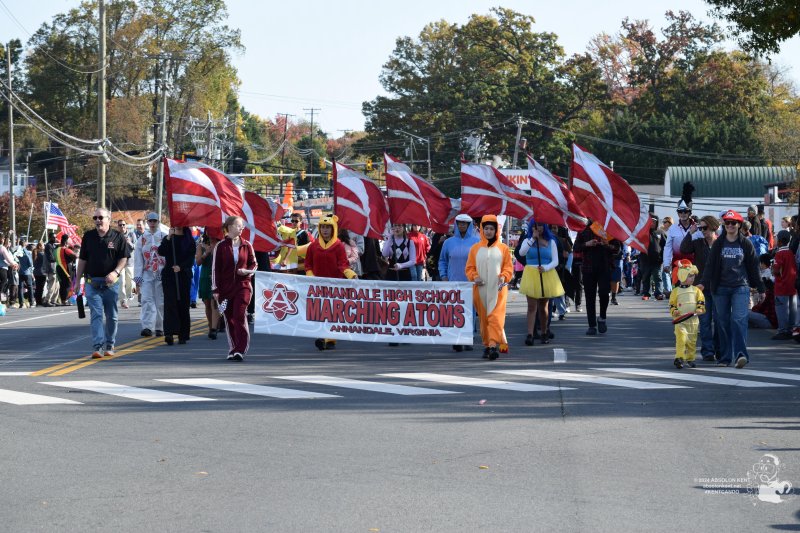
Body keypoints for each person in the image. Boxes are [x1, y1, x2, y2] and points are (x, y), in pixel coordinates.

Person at [697, 210, 766, 369]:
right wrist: (703, 283)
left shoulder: (746, 244)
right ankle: (725, 357)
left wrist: (761, 288)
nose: (729, 225)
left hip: (740, 287)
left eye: (733, 223)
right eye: (727, 223)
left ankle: (741, 354)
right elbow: (709, 266)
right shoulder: (718, 244)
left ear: (739, 225)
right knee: (722, 323)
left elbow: (754, 267)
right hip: (720, 288)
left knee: (738, 320)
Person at [74, 208, 130, 359]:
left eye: (101, 217)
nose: (97, 220)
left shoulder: (118, 237)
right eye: (95, 218)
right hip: (92, 283)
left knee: (112, 316)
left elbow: (124, 257)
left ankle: (110, 344)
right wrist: (77, 280)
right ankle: (98, 346)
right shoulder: (88, 236)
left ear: (108, 220)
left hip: (111, 284)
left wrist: (116, 272)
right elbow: (82, 260)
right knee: (96, 314)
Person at [305, 214, 358, 351]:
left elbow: (343, 265)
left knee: (332, 312)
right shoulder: (313, 246)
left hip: (335, 285)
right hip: (318, 286)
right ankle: (322, 337)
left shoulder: (339, 246)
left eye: (328, 227)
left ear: (333, 228)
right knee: (320, 311)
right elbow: (308, 265)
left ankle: (330, 339)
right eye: (322, 227)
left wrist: (350, 274)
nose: (325, 230)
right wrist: (310, 276)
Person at [465, 215, 513, 360]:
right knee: (484, 319)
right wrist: (475, 277)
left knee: (496, 317)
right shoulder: (474, 249)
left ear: (496, 230)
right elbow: (469, 268)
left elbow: (508, 268)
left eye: (492, 228)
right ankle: (487, 345)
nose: (489, 231)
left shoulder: (503, 248)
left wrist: (504, 276)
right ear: (482, 229)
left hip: (498, 289)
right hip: (480, 290)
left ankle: (493, 346)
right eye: (486, 228)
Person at [212, 216, 257, 361]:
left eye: (242, 226)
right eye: (239, 225)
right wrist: (215, 290)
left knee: (239, 315)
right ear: (230, 227)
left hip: (243, 286)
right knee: (229, 319)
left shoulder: (247, 245)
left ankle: (241, 349)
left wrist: (246, 271)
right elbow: (215, 269)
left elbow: (254, 264)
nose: (242, 228)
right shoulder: (221, 246)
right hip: (225, 289)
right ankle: (233, 348)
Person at [680, 215, 721, 361]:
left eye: (705, 228)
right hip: (702, 288)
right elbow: (683, 249)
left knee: (718, 320)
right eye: (701, 228)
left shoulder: (721, 243)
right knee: (704, 322)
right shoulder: (698, 243)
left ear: (713, 227)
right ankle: (708, 351)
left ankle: (719, 349)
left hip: (719, 288)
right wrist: (690, 232)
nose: (702, 231)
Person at [438, 213, 480, 352]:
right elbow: (442, 261)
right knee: (454, 311)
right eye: (459, 223)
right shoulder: (448, 242)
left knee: (470, 311)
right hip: (453, 282)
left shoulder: (476, 242)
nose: (461, 225)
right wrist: (444, 276)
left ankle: (468, 338)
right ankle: (456, 338)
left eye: (464, 223)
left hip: (470, 282)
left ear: (469, 225)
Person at [519, 219, 564, 346]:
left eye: (540, 226)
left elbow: (556, 260)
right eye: (535, 227)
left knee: (543, 307)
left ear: (544, 227)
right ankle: (530, 334)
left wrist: (546, 267)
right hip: (531, 274)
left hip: (546, 273)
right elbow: (522, 252)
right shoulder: (527, 241)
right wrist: (532, 239)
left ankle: (544, 332)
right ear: (531, 228)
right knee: (531, 306)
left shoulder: (551, 242)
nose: (538, 229)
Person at [572, 222, 620, 335]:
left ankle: (602, 317)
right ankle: (592, 325)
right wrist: (586, 244)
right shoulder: (584, 229)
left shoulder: (608, 228)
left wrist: (607, 245)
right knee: (590, 297)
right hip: (588, 267)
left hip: (605, 267)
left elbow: (617, 249)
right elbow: (576, 247)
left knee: (604, 293)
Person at [158, 226, 195, 346]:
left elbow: (191, 258)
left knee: (183, 303)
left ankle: (182, 334)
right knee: (170, 303)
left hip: (183, 275)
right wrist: (168, 237)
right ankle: (169, 333)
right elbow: (161, 251)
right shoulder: (169, 238)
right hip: (169, 275)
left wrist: (181, 267)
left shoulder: (189, 239)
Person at [134, 212, 166, 337]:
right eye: (150, 221)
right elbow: (138, 258)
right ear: (147, 222)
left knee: (160, 301)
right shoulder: (141, 239)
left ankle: (160, 327)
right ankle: (147, 326)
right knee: (147, 300)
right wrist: (138, 276)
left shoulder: (164, 237)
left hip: (161, 273)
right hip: (147, 273)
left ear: (158, 222)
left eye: (155, 221)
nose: (152, 223)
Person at [669, 262, 706, 369]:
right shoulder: (676, 291)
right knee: (681, 338)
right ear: (682, 276)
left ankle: (690, 358)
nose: (692, 278)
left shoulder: (696, 290)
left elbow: (701, 300)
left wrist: (700, 308)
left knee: (691, 340)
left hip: (693, 321)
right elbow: (672, 303)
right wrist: (674, 310)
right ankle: (679, 358)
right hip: (680, 320)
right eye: (690, 275)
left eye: (693, 276)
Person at [663, 184, 695, 286]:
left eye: (685, 211)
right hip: (678, 265)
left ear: (690, 212)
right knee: (678, 292)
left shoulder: (697, 228)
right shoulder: (673, 228)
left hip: (694, 265)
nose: (683, 213)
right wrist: (667, 263)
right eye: (680, 211)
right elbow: (668, 247)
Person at [771, 231, 797, 340]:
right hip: (792, 284)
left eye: (776, 238)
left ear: (780, 241)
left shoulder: (779, 253)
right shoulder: (791, 252)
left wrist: (773, 270)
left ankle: (783, 330)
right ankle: (791, 329)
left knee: (781, 309)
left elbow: (776, 270)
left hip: (781, 285)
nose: (775, 240)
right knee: (792, 309)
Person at [196, 231, 220, 339]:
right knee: (207, 302)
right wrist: (206, 253)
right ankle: (210, 326)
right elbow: (198, 262)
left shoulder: (220, 244)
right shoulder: (201, 246)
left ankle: (214, 327)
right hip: (205, 275)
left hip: (216, 274)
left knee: (214, 302)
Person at [640, 216, 665, 301]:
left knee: (658, 277)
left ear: (657, 223)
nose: (652, 223)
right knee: (646, 277)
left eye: (654, 222)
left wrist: (662, 257)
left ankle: (659, 294)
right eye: (650, 221)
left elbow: (665, 246)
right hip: (645, 259)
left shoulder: (660, 232)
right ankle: (646, 293)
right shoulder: (643, 232)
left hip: (657, 260)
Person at [116, 220, 136, 309]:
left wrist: (129, 242)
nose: (122, 226)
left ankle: (128, 296)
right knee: (121, 282)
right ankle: (123, 300)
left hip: (129, 262)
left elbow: (135, 246)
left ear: (126, 226)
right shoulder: (116, 236)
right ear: (118, 226)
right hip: (120, 262)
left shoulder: (131, 235)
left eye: (124, 224)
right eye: (120, 225)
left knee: (130, 282)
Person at [55, 234, 77, 305]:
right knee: (67, 284)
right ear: (66, 241)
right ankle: (65, 300)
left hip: (58, 268)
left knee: (62, 284)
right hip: (65, 268)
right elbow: (75, 256)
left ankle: (63, 300)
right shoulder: (66, 250)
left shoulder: (56, 249)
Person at [43, 233, 59, 307]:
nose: (55, 239)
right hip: (51, 268)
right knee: (52, 285)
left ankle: (53, 300)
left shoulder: (54, 245)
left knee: (57, 286)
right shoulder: (48, 246)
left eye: (55, 237)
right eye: (53, 237)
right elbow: (50, 258)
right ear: (50, 238)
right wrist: (58, 259)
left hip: (55, 268)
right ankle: (47, 300)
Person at [17, 238, 34, 308]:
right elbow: (30, 263)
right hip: (27, 272)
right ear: (24, 244)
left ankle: (21, 303)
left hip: (20, 271)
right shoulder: (27, 252)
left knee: (20, 288)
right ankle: (31, 302)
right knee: (30, 287)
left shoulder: (17, 251)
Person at [32, 241, 46, 307]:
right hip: (42, 272)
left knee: (38, 287)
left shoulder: (36, 253)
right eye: (43, 245)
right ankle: (39, 302)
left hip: (36, 272)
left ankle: (38, 301)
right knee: (41, 288)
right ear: (40, 246)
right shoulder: (41, 254)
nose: (44, 246)